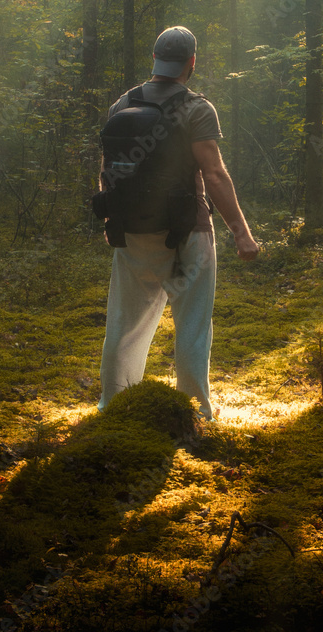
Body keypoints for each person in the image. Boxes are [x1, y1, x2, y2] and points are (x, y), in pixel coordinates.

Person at [97, 25, 259, 421]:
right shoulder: (196, 107)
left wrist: (111, 217)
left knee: (125, 321)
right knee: (192, 322)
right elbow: (215, 175)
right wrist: (243, 234)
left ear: (154, 58)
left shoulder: (122, 104)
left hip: (133, 230)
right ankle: (194, 412)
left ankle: (113, 406)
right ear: (191, 62)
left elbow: (107, 168)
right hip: (189, 230)